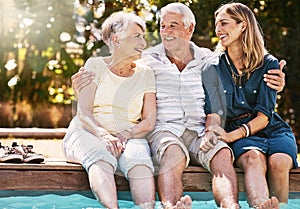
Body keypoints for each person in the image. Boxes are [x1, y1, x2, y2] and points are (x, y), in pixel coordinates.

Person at [71, 3, 287, 209]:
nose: (166, 32)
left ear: (189, 28)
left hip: (202, 129)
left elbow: (244, 76)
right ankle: (172, 206)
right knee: (172, 154)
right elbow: (115, 70)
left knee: (221, 155)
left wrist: (277, 81)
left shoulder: (209, 59)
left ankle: (231, 205)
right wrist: (80, 84)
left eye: (173, 25)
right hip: (166, 130)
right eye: (162, 26)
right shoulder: (146, 59)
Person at [206, 2, 298, 209]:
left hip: (272, 129)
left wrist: (232, 136)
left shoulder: (269, 63)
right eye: (216, 25)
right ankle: (260, 205)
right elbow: (213, 111)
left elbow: (265, 115)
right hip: (241, 133)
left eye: (223, 23)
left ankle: (279, 206)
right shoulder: (213, 66)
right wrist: (216, 132)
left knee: (280, 162)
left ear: (243, 26)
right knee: (253, 158)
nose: (218, 30)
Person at [63, 11, 157, 209]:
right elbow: (84, 114)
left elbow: (149, 120)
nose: (143, 43)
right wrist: (104, 135)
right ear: (116, 39)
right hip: (89, 131)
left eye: (143, 36)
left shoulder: (146, 73)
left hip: (129, 135)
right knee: (100, 157)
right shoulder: (95, 65)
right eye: (136, 36)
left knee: (139, 161)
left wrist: (125, 134)